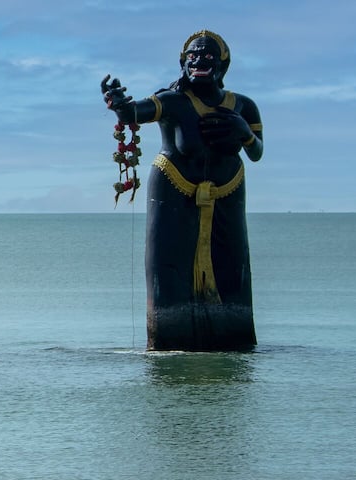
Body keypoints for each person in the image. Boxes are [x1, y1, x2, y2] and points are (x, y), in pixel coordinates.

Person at [100, 30, 263, 351]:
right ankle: (170, 339)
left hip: (228, 192)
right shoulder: (173, 101)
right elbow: (135, 113)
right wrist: (118, 104)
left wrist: (244, 133)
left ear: (223, 65)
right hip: (173, 188)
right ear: (183, 63)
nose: (199, 60)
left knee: (233, 267)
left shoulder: (242, 105)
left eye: (208, 56)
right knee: (169, 266)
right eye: (193, 56)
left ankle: (234, 341)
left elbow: (257, 152)